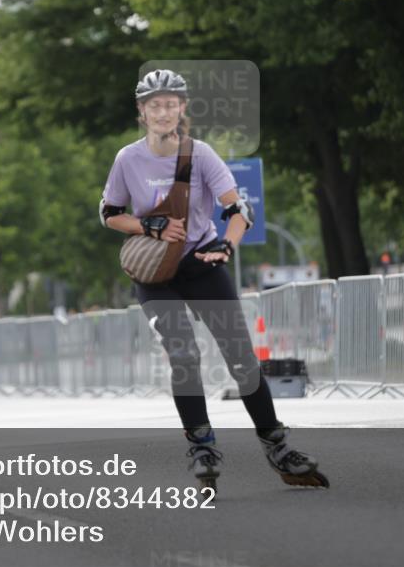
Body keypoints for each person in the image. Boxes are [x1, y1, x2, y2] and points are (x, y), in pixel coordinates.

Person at [99, 69, 327, 492]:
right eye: (155, 105)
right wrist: (149, 226)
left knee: (241, 357)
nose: (163, 111)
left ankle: (276, 443)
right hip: (154, 274)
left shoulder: (200, 154)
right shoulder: (127, 159)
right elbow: (109, 214)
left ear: (182, 108)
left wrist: (226, 246)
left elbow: (238, 209)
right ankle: (202, 446)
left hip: (201, 262)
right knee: (183, 354)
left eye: (171, 104)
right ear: (142, 112)